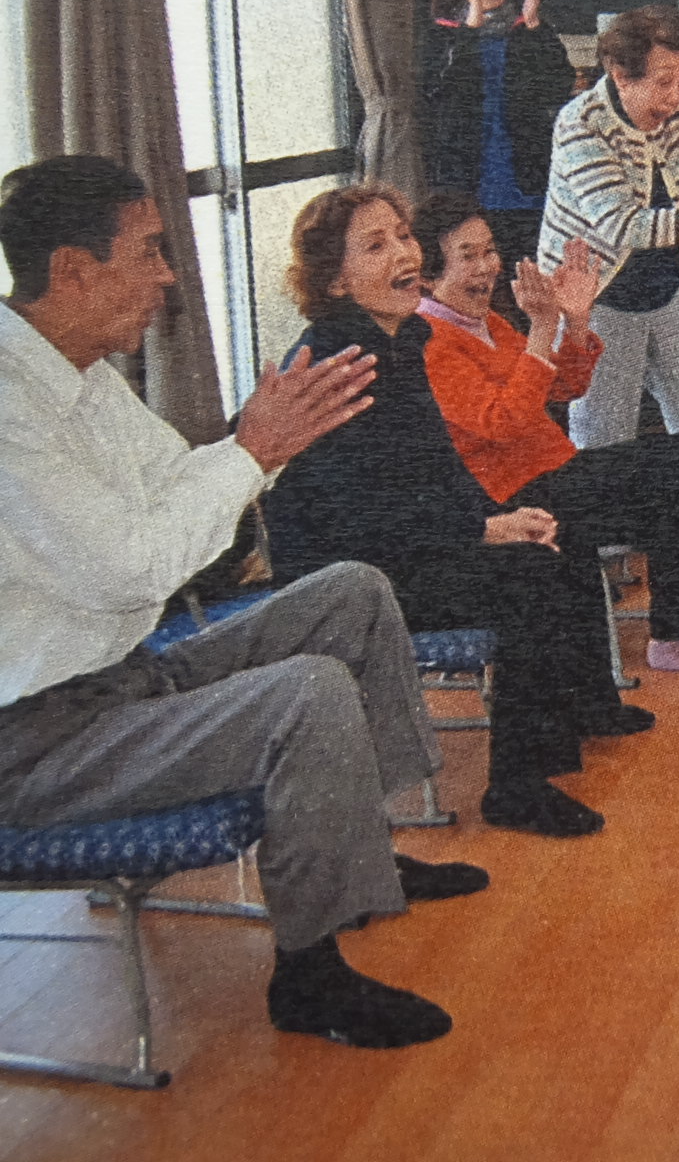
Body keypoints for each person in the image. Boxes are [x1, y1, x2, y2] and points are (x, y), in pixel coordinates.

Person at [0, 155, 485, 1051]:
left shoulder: (80, 373)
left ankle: (361, 847)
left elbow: (180, 481)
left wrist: (265, 446)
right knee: (306, 691)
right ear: (73, 270)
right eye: (149, 251)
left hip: (122, 680)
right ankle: (311, 975)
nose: (168, 276)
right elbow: (135, 567)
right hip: (33, 741)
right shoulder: (9, 406)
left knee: (351, 593)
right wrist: (254, 453)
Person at [265, 185, 652, 839]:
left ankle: (550, 752)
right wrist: (481, 528)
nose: (403, 253)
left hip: (398, 545)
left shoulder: (400, 339)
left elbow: (440, 470)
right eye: (375, 246)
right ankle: (517, 788)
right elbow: (359, 510)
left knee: (544, 543)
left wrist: (497, 519)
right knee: (528, 574)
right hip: (345, 574)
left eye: (402, 236)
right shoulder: (342, 361)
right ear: (334, 281)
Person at [410, 190, 679, 676]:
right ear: (428, 276)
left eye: (489, 250)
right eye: (466, 256)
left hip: (556, 470)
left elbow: (564, 387)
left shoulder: (485, 322)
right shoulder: (430, 341)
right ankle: (677, 637)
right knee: (677, 478)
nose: (486, 266)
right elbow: (504, 420)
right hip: (514, 499)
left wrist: (576, 319)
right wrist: (542, 326)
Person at [539, 2, 679, 449]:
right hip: (596, 300)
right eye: (664, 82)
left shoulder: (674, 115)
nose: (676, 97)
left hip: (665, 290)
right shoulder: (580, 123)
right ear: (621, 76)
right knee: (604, 447)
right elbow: (623, 226)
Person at [420, 0, 573, 271]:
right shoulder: (440, 34)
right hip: (468, 185)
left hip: (526, 184)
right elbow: (446, 97)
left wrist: (533, 24)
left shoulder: (527, 28)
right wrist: (471, 26)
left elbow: (558, 86)